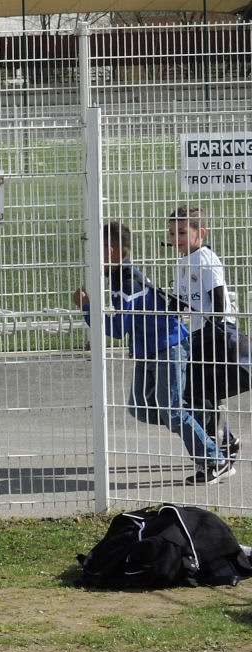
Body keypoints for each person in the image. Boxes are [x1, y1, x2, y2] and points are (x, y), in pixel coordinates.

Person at [74, 221, 231, 484]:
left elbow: (117, 329)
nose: (91, 259)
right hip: (148, 350)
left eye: (94, 252)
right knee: (141, 408)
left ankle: (215, 461)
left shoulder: (127, 282)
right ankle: (205, 418)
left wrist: (87, 309)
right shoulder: (120, 277)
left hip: (167, 348)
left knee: (172, 412)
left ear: (110, 252)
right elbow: (133, 321)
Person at [168, 203, 243, 461]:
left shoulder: (205, 259)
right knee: (197, 392)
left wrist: (209, 334)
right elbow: (178, 304)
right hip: (198, 337)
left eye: (181, 232)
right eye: (172, 233)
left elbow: (219, 303)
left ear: (200, 232)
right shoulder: (183, 262)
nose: (175, 238)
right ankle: (225, 441)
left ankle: (218, 446)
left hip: (215, 335)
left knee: (198, 391)